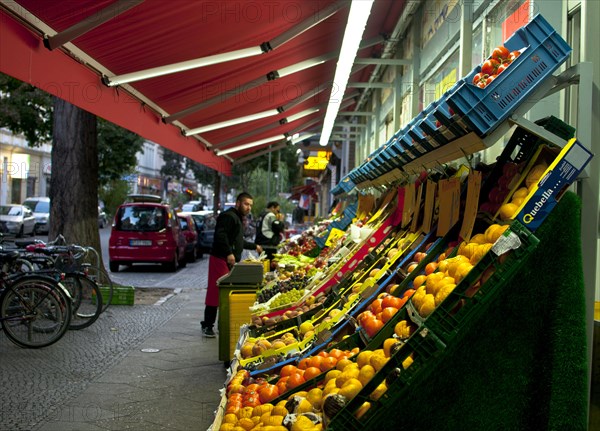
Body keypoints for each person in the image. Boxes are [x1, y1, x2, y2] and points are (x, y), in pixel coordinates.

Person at [201, 192, 262, 338]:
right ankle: (207, 325)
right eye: (246, 204)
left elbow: (238, 241)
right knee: (216, 293)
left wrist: (254, 246)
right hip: (220, 258)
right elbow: (221, 236)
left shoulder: (237, 218)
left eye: (250, 205)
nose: (248, 208)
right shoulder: (228, 216)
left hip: (227, 260)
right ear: (238, 203)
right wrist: (229, 253)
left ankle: (223, 324)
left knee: (224, 293)